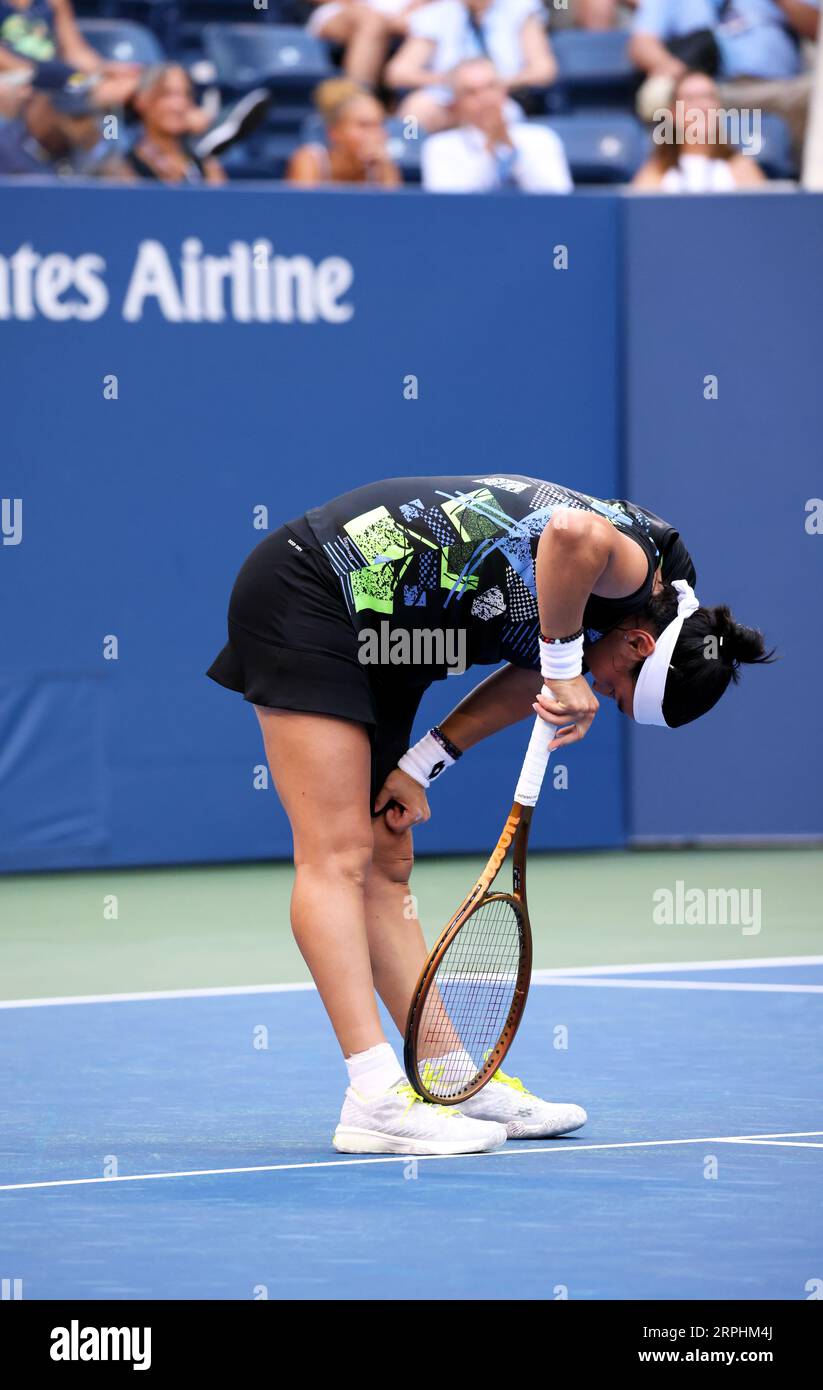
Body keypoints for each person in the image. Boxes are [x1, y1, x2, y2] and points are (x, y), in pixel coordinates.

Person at [207, 475, 773, 1155]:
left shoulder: (655, 601)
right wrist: (567, 668)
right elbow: (568, 537)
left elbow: (540, 662)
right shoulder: (631, 574)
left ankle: (452, 1079)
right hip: (312, 592)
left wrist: (420, 765)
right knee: (335, 855)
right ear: (639, 649)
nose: (599, 688)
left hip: (398, 631)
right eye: (614, 687)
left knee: (386, 862)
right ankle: (372, 1096)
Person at [629, 0, 820, 159]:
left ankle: (812, 189)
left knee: (816, 93)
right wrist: (683, 75)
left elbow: (816, 28)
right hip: (712, 91)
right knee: (667, 100)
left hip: (777, 90)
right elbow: (642, 45)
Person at [386, 0, 558, 133]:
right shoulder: (436, 14)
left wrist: (496, 84)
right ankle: (410, 157)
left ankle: (498, 169)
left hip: (500, 94)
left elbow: (544, 69)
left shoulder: (521, 9)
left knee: (504, 113)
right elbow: (398, 72)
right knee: (414, 113)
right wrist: (452, 82)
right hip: (447, 96)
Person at [422, 55, 572, 189]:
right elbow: (447, 207)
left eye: (491, 87)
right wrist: (488, 152)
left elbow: (558, 196)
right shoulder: (440, 148)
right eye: (471, 92)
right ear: (455, 104)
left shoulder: (541, 138)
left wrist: (511, 149)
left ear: (504, 91)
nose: (485, 98)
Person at [632, 68, 767, 190]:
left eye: (708, 97)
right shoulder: (656, 172)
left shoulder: (742, 168)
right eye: (690, 98)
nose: (702, 107)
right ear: (672, 113)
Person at [286, 78, 401, 185]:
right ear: (334, 132)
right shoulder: (309, 161)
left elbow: (395, 205)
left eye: (379, 125)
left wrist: (386, 169)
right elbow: (303, 205)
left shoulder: (383, 167)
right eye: (364, 125)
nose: (375, 134)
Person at [125, 65, 225, 185]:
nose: (179, 105)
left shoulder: (207, 167)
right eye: (167, 94)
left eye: (186, 94)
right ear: (142, 100)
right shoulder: (125, 168)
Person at [303, 0, 428, 89]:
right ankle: (356, 100)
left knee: (426, 25)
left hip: (409, 16)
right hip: (342, 9)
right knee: (372, 23)